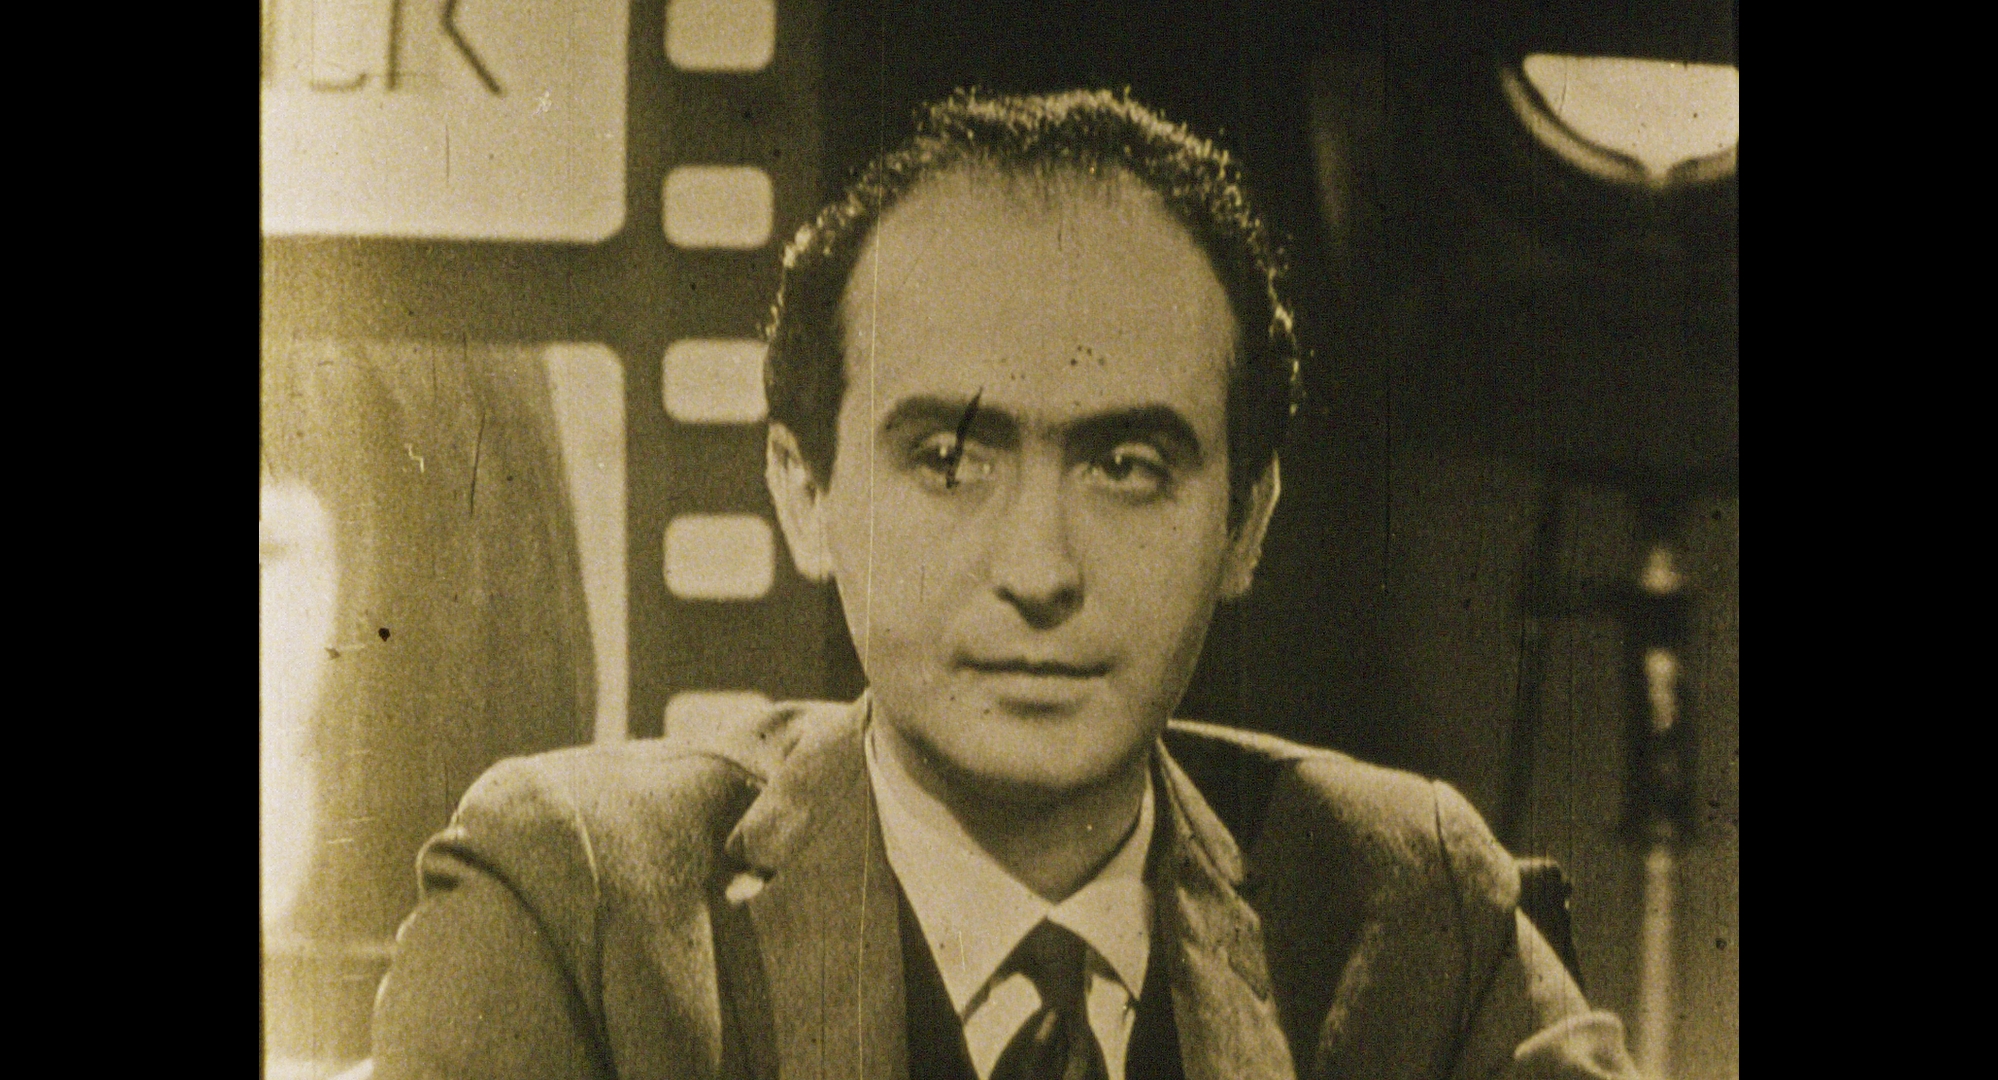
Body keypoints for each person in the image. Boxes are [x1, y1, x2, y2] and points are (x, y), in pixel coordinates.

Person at [368, 90, 1639, 1080]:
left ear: (1247, 522)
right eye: (949, 461)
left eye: (1129, 467)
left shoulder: (1415, 906)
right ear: (803, 492)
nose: (1039, 572)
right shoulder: (578, 908)